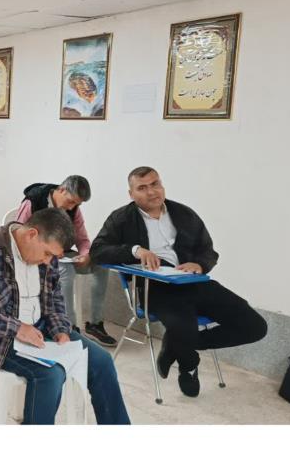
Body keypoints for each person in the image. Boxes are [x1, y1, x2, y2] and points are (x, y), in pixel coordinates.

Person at [90, 166, 267, 397]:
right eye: (142, 188)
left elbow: (208, 250)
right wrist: (134, 250)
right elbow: (98, 251)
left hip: (193, 282)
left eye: (155, 184)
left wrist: (199, 265)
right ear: (131, 194)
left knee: (255, 326)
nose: (151, 191)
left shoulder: (184, 214)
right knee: (182, 325)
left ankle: (177, 344)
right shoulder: (121, 218)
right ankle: (188, 365)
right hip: (155, 289)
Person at [0, 208, 130, 425]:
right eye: (47, 254)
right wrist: (16, 327)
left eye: (53, 256)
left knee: (102, 361)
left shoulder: (46, 255)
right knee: (51, 374)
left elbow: (55, 299)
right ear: (31, 234)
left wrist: (60, 329)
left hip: (39, 329)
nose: (48, 261)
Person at [17, 176, 114, 347]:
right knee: (65, 271)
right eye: (70, 201)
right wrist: (49, 251)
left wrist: (85, 254)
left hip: (64, 254)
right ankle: (69, 326)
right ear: (61, 190)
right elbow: (20, 233)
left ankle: (95, 324)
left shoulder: (74, 209)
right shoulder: (33, 201)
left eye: (76, 204)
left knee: (100, 265)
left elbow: (82, 240)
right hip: (40, 254)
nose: (71, 207)